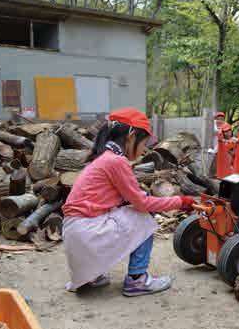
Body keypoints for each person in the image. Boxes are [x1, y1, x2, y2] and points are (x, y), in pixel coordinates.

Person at [62, 107, 195, 296]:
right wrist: (180, 201)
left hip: (76, 236)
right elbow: (142, 203)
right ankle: (137, 279)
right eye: (144, 142)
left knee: (125, 211)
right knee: (142, 215)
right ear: (131, 136)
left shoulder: (102, 158)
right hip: (86, 234)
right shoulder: (115, 161)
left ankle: (93, 274)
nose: (143, 150)